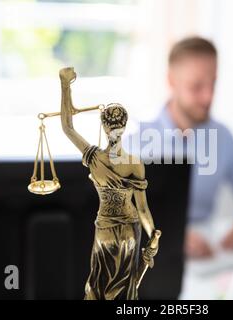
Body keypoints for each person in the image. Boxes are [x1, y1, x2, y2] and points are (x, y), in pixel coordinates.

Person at [124, 37, 233, 259]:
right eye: (197, 86)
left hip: (207, 256)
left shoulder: (223, 137)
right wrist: (170, 233)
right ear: (171, 81)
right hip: (149, 254)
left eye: (213, 83)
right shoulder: (134, 138)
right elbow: (116, 211)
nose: (208, 97)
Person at [59, 67, 161, 299]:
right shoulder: (135, 164)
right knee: (125, 291)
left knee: (98, 287)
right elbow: (143, 208)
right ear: (123, 127)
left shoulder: (94, 158)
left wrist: (65, 85)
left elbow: (67, 127)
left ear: (104, 127)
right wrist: (152, 237)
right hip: (130, 230)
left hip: (104, 228)